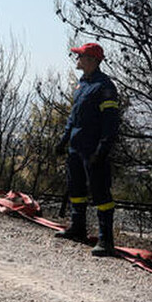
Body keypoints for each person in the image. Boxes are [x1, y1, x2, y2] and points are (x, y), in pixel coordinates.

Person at [54, 42, 121, 256]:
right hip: (76, 147)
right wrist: (64, 140)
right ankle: (78, 228)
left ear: (92, 60)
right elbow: (74, 116)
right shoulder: (82, 84)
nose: (77, 60)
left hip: (93, 150)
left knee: (101, 193)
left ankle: (105, 241)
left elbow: (111, 122)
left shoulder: (105, 87)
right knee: (76, 190)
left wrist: (102, 150)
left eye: (80, 56)